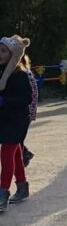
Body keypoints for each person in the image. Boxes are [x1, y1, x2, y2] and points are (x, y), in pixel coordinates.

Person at [0, 35, 33, 211]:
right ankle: (22, 186)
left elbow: (26, 98)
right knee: (14, 152)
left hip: (17, 120)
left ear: (12, 53)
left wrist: (5, 101)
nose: (0, 54)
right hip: (5, 119)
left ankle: (2, 193)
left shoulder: (19, 74)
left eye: (3, 51)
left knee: (6, 153)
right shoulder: (1, 71)